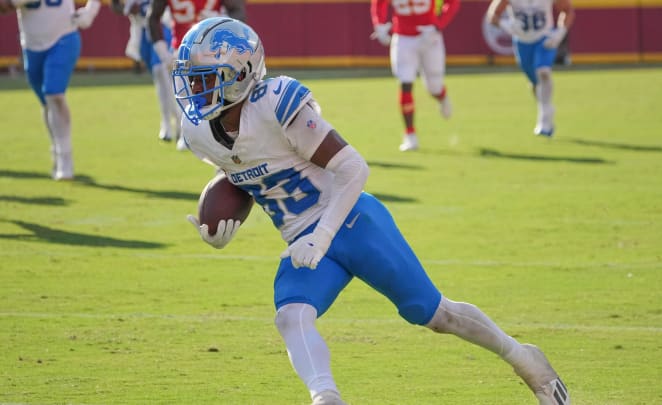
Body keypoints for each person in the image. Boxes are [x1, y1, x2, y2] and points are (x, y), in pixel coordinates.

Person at [175, 17, 571, 405]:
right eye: (191, 78)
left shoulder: (276, 104)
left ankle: (523, 357)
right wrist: (218, 224)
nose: (194, 88)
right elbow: (237, 173)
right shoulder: (198, 132)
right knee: (291, 315)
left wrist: (322, 235)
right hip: (303, 243)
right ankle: (325, 397)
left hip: (351, 221)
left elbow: (353, 167)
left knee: (434, 314)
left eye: (205, 77)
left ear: (241, 73)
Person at [0, 0, 101, 180]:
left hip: (64, 36)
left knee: (54, 94)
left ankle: (65, 159)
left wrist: (90, 11)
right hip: (32, 45)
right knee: (47, 102)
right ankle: (56, 148)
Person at [147, 0, 246, 150]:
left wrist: (223, 21)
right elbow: (153, 17)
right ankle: (188, 132)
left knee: (222, 96)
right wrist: (162, 52)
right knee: (185, 97)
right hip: (183, 51)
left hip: (215, 51)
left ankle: (223, 132)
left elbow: (238, 11)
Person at [370, 0, 460, 152]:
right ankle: (410, 134)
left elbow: (453, 2)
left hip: (429, 35)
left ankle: (441, 95)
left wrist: (438, 25)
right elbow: (379, 3)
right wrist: (379, 25)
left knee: (434, 87)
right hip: (403, 37)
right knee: (405, 83)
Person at [487, 0, 575, 137]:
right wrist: (506, 25)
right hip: (523, 42)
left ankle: (544, 121)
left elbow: (568, 10)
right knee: (535, 83)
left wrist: (560, 33)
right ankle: (546, 109)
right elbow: (492, 15)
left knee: (543, 72)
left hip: (544, 38)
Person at [110, 0, 182, 146]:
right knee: (159, 77)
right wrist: (127, 9)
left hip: (161, 25)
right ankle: (168, 121)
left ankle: (176, 122)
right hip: (141, 30)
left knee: (162, 71)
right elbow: (115, 5)